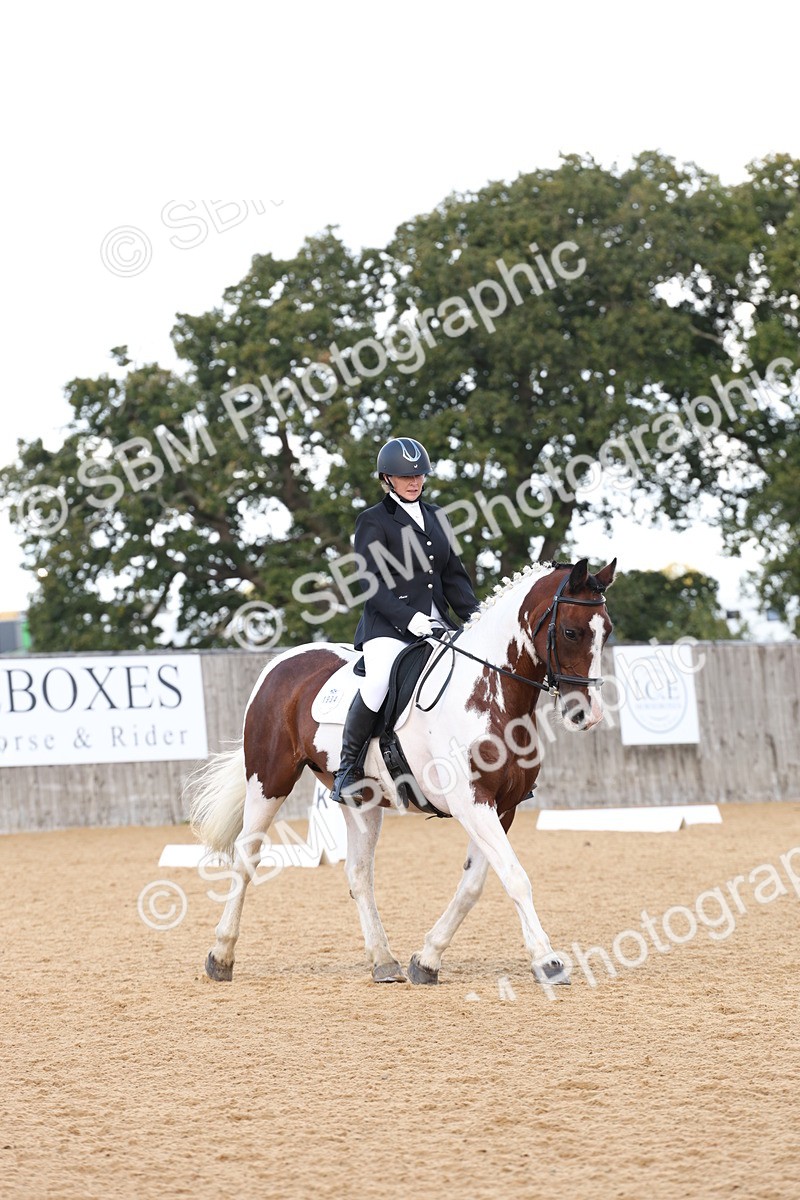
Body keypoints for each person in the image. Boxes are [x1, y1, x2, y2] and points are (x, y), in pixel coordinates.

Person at [330, 435, 480, 805]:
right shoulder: (373, 520)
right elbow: (371, 583)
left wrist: (476, 618)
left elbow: (453, 577)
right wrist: (409, 619)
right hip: (389, 626)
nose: (414, 482)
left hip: (437, 624)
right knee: (379, 681)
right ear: (387, 479)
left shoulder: (437, 516)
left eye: (419, 475)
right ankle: (347, 769)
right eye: (405, 476)